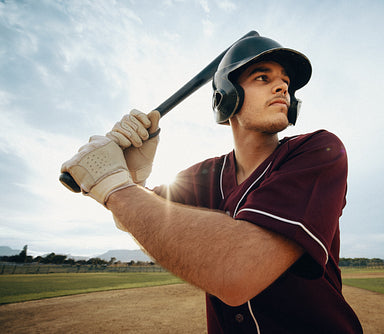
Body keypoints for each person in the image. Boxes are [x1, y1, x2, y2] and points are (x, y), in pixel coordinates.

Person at [61, 35, 363, 333]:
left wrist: (114, 185)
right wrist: (134, 179)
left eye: (286, 81)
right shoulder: (203, 176)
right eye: (262, 77)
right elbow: (141, 222)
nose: (283, 86)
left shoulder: (319, 152)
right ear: (226, 96)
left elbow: (238, 272)